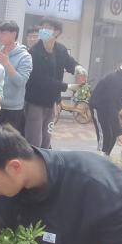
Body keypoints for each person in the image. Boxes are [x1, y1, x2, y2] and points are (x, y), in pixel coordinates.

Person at [24, 18, 86, 148]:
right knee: (35, 139)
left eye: (47, 27)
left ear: (57, 32)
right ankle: (32, 160)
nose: (43, 30)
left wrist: (78, 68)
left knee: (47, 138)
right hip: (35, 102)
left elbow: (70, 63)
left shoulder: (60, 49)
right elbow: (39, 79)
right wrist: (67, 86)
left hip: (51, 102)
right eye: (42, 27)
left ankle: (45, 160)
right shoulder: (34, 52)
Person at [0, 20, 33, 134]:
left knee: (9, 141)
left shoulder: (25, 57)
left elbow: (21, 82)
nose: (0, 36)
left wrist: (7, 63)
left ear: (14, 34)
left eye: (3, 33)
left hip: (12, 109)